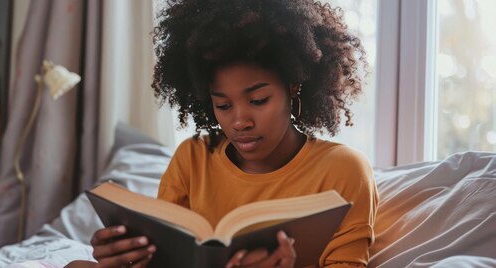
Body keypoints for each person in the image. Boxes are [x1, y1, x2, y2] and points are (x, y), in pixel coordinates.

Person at [67, 0, 377, 267]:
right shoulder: (193, 157)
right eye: (223, 104)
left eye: (258, 101)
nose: (239, 121)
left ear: (294, 84)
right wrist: (126, 257)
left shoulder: (343, 170)